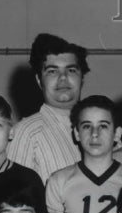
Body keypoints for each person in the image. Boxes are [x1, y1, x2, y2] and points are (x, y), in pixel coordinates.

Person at [9, 33, 89, 185]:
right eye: (52, 71)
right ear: (39, 80)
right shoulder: (25, 133)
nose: (63, 78)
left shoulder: (102, 127)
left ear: (82, 78)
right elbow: (15, 199)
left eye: (71, 70)